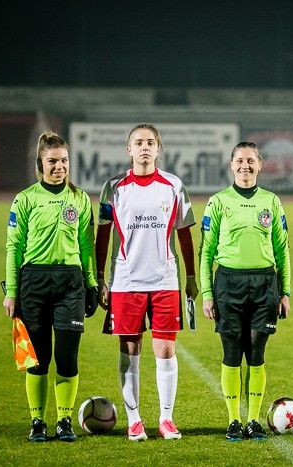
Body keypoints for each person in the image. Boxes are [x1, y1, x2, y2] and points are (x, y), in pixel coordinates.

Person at [95, 123, 198, 441]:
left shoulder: (173, 185)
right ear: (129, 150)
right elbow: (103, 234)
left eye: (150, 142)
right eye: (138, 142)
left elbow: (184, 234)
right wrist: (100, 278)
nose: (144, 147)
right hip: (126, 282)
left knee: (166, 350)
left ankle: (166, 419)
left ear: (158, 149)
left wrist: (191, 276)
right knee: (130, 350)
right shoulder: (114, 187)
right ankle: (134, 420)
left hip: (165, 280)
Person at [3, 130, 98, 442]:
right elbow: (14, 247)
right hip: (34, 283)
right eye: (53, 161)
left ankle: (64, 421)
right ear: (40, 164)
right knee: (38, 359)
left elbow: (87, 245)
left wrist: (91, 284)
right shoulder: (25, 199)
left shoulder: (80, 199)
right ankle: (37, 422)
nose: (60, 167)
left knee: (67, 357)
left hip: (70, 284)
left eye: (64, 161)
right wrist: (12, 292)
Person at [200, 142, 291, 441]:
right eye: (240, 160)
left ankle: (253, 420)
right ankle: (233, 420)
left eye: (251, 160)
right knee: (231, 351)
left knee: (256, 352)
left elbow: (282, 249)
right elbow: (206, 251)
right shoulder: (218, 202)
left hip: (265, 284)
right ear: (231, 165)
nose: (245, 166)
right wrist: (207, 293)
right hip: (228, 284)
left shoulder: (271, 201)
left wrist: (285, 291)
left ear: (260, 165)